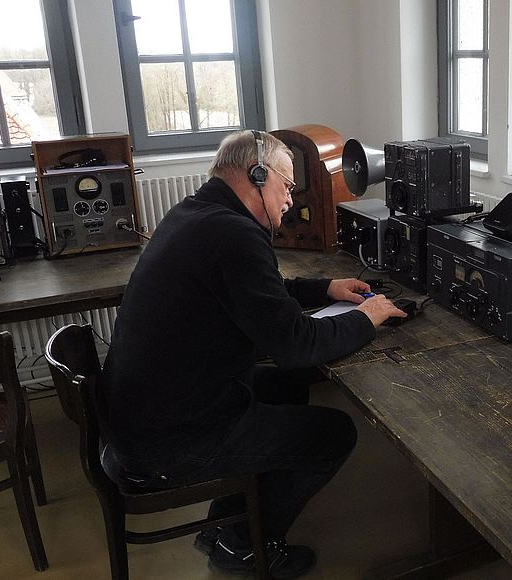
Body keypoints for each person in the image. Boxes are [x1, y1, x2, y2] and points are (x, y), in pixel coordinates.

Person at [101, 129, 406, 578]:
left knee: (286, 387)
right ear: (257, 174)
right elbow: (295, 345)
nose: (289, 199)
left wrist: (323, 288)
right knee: (333, 434)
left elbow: (255, 294)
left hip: (147, 413)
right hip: (171, 438)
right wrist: (369, 316)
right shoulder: (233, 234)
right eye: (286, 185)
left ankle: (228, 526)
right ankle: (242, 546)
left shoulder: (196, 213)